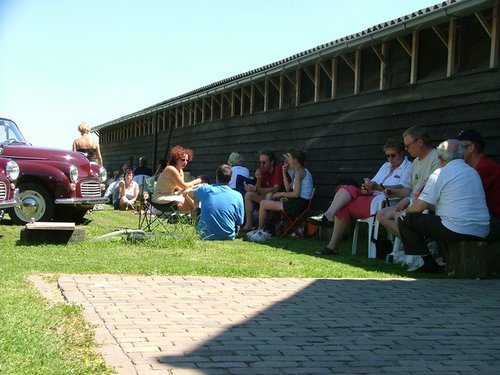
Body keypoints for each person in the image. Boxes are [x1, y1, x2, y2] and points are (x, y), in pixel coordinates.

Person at [398, 139, 490, 273]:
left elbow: (418, 208)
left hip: (456, 228)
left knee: (405, 219)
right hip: (481, 229)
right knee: (436, 218)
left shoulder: (440, 173)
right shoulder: (472, 172)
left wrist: (405, 211)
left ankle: (429, 262)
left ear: (440, 158)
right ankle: (444, 259)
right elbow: (450, 204)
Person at [309, 139, 412, 255]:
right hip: (370, 196)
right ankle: (329, 216)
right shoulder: (386, 166)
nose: (390, 159)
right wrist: (367, 187)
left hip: (382, 202)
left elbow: (403, 188)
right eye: (387, 156)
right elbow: (374, 182)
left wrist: (378, 187)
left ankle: (331, 241)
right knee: (347, 184)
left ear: (402, 153)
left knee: (344, 204)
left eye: (393, 155)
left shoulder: (408, 167)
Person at [377, 126, 440, 238]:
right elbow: (409, 189)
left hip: (427, 206)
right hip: (414, 203)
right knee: (382, 215)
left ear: (420, 142)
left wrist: (408, 200)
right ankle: (416, 245)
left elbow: (430, 190)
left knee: (399, 216)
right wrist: (394, 192)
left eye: (407, 146)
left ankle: (418, 248)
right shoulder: (415, 162)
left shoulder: (436, 158)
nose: (406, 149)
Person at [247, 149, 313, 241]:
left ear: (295, 160)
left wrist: (281, 193)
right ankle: (264, 229)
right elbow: (288, 189)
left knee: (263, 203)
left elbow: (296, 194)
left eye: (289, 158)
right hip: (299, 203)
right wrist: (283, 172)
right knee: (266, 201)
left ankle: (259, 232)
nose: (287, 160)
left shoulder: (299, 172)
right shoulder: (299, 171)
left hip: (298, 204)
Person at [185, 164, 244, 240]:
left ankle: (196, 222)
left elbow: (189, 193)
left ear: (216, 177)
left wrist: (198, 187)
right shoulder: (237, 195)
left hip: (203, 234)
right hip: (227, 236)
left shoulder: (205, 189)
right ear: (230, 178)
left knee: (196, 197)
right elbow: (240, 221)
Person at [241, 150, 283, 231]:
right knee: (248, 194)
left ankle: (265, 226)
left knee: (269, 195)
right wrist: (258, 179)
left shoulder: (278, 169)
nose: (261, 165)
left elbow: (275, 189)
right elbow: (257, 190)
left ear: (272, 162)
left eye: (264, 163)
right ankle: (249, 224)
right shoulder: (263, 170)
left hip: (280, 199)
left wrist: (256, 189)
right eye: (260, 162)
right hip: (267, 198)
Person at [152, 145, 202, 212]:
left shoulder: (180, 170)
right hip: (160, 197)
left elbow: (181, 188)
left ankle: (197, 215)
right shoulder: (170, 169)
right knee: (190, 198)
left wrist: (194, 187)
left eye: (187, 160)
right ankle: (199, 212)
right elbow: (183, 185)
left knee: (193, 193)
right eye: (182, 160)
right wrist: (196, 181)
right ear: (176, 159)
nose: (185, 162)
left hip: (171, 195)